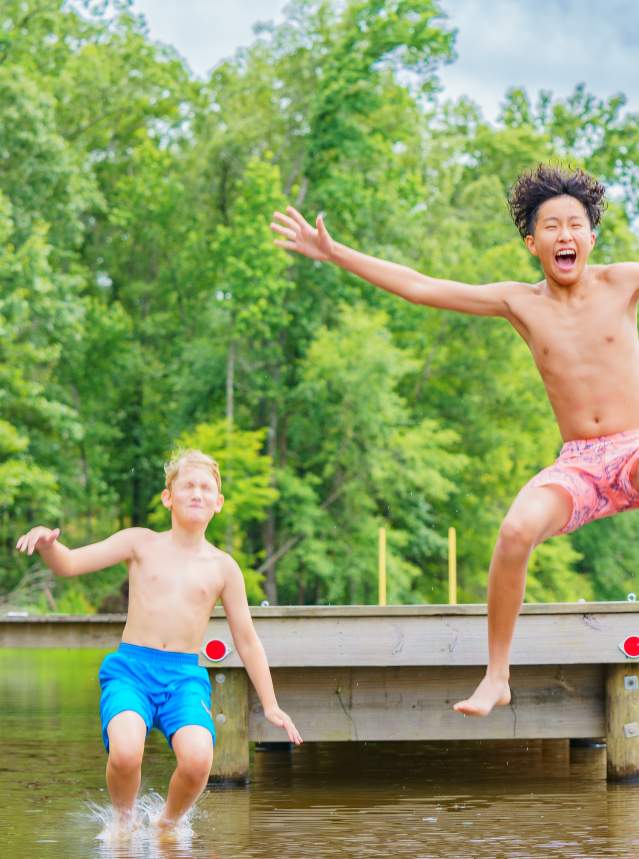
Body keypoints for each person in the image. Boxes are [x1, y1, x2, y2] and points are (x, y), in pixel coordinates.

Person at [271, 163, 639, 717]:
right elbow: (422, 287)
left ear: (592, 236)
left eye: (575, 225)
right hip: (581, 465)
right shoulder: (521, 302)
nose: (565, 236)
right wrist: (336, 253)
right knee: (515, 530)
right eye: (551, 227)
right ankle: (496, 676)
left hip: (634, 445)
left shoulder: (624, 280)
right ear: (531, 242)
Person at [16, 449, 302, 833]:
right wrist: (49, 546)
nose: (196, 493)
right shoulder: (140, 543)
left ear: (218, 503)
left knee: (200, 758)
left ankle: (167, 825)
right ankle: (123, 822)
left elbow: (247, 640)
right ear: (169, 496)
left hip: (183, 677)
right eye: (187, 486)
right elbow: (70, 564)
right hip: (132, 671)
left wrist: (271, 704)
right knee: (126, 752)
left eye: (206, 488)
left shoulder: (223, 568)